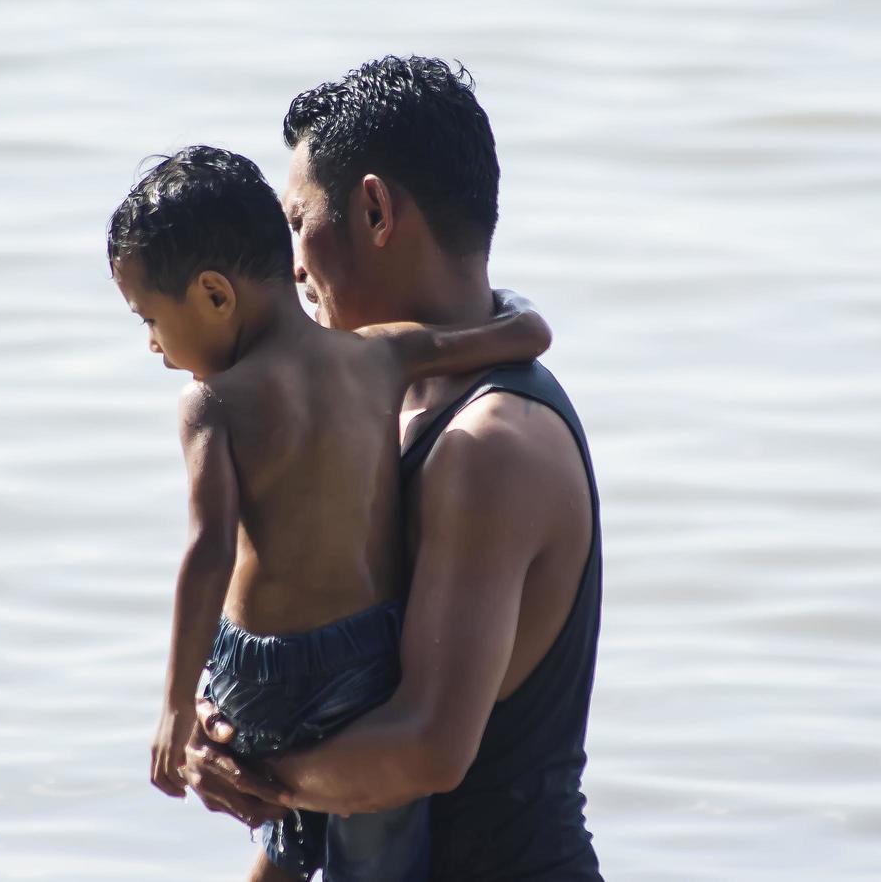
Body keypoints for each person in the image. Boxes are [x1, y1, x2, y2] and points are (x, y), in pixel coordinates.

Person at [181, 56, 605, 881]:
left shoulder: (492, 446)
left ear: (374, 209)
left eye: (298, 222)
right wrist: (228, 720)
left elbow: (426, 747)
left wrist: (255, 774)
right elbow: (319, 667)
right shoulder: (382, 403)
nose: (290, 267)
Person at [106, 145, 552, 881]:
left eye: (149, 319)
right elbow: (524, 336)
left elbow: (209, 551)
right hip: (370, 668)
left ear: (216, 296)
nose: (153, 344)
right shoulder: (379, 358)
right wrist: (518, 305)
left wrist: (178, 707)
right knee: (372, 854)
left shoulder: (211, 403)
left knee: (283, 845)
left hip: (262, 674)